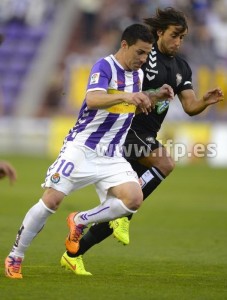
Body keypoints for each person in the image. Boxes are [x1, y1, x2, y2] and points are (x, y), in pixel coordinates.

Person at [62, 7, 224, 275]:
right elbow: (124, 89)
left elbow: (190, 106)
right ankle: (119, 215)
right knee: (165, 162)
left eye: (183, 37)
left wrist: (205, 101)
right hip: (126, 129)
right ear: (160, 32)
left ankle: (73, 253)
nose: (178, 42)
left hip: (146, 135)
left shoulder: (181, 66)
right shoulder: (143, 55)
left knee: (120, 209)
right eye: (174, 35)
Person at [4, 23, 174, 279]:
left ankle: (80, 220)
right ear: (124, 45)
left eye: (146, 54)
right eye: (139, 52)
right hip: (83, 148)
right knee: (51, 200)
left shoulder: (137, 76)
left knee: (133, 199)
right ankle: (16, 256)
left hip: (112, 154)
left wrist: (155, 96)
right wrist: (128, 98)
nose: (142, 59)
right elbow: (94, 99)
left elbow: (129, 107)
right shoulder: (104, 66)